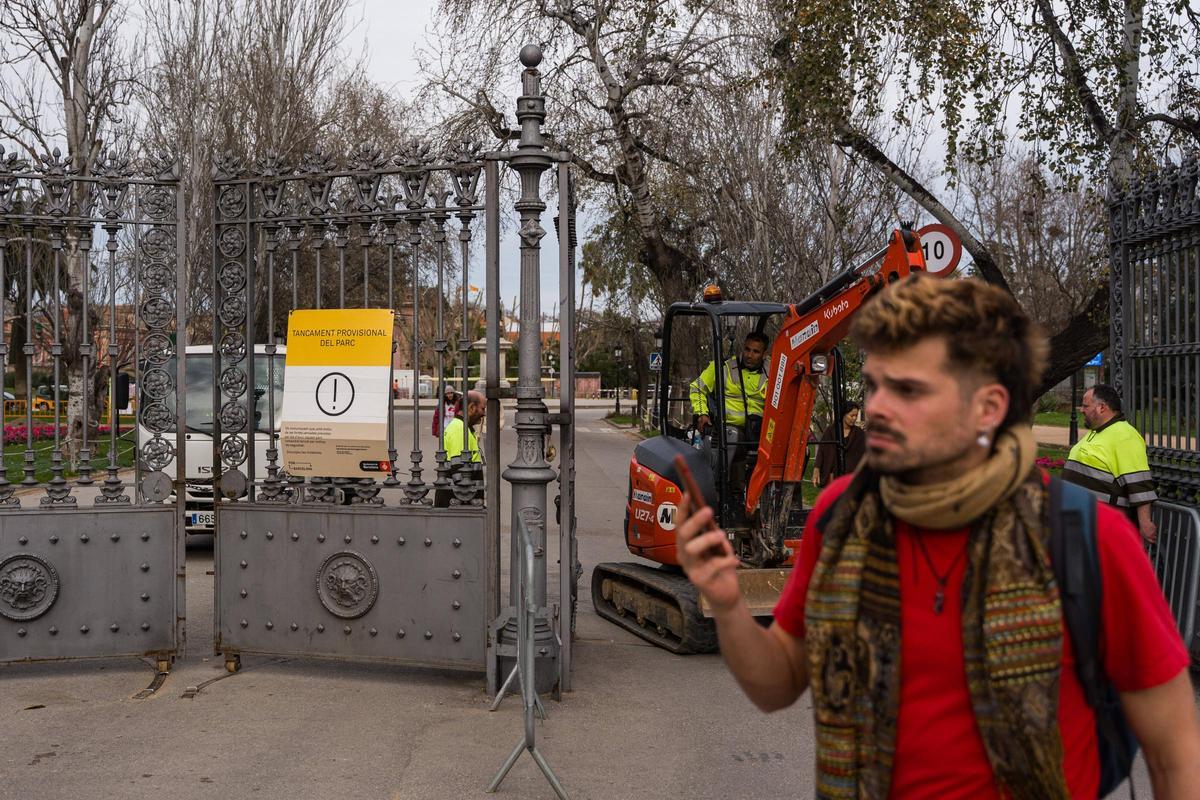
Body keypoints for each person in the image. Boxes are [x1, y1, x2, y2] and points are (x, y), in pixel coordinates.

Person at [674, 275, 1200, 799]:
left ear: (988, 408)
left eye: (907, 389)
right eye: (875, 385)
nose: (875, 409)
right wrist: (727, 603)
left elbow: (1175, 756)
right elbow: (777, 682)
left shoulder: (1090, 541)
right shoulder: (841, 517)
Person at [1063, 384, 1158, 543]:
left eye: (1086, 405)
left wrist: (1145, 522)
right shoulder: (1097, 432)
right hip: (1082, 520)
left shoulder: (1125, 436)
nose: (1081, 409)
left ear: (1101, 407)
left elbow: (1139, 483)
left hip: (1103, 525)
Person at [688, 331, 770, 495]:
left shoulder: (776, 371)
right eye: (747, 349)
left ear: (764, 354)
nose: (749, 355)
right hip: (730, 429)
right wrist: (702, 413)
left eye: (755, 351)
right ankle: (731, 495)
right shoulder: (723, 367)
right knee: (735, 439)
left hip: (763, 430)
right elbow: (697, 388)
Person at [812, 402, 865, 488]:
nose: (854, 418)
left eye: (856, 415)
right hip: (832, 476)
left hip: (850, 479)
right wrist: (816, 468)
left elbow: (865, 455)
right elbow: (822, 450)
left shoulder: (860, 434)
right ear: (844, 414)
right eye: (852, 415)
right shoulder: (831, 431)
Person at [443, 389, 483, 463]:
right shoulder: (460, 430)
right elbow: (459, 469)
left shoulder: (463, 427)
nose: (484, 413)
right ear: (472, 408)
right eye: (482, 408)